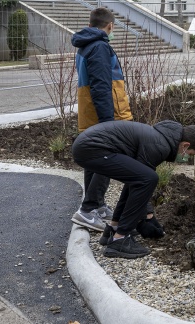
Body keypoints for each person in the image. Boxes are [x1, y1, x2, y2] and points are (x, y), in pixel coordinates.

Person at [72, 120, 195, 259]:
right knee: (149, 178)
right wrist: (148, 216)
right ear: (185, 145)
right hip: (91, 149)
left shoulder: (160, 138)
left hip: (88, 146)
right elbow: (144, 182)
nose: (186, 157)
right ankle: (120, 240)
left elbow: (135, 182)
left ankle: (114, 230)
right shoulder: (160, 146)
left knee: (142, 178)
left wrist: (147, 215)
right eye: (190, 154)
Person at [70, 8, 133, 232]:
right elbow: (101, 85)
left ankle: (96, 205)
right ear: (110, 26)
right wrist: (108, 121)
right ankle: (87, 211)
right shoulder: (99, 46)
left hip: (91, 113)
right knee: (108, 158)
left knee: (94, 159)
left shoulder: (87, 44)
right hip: (106, 115)